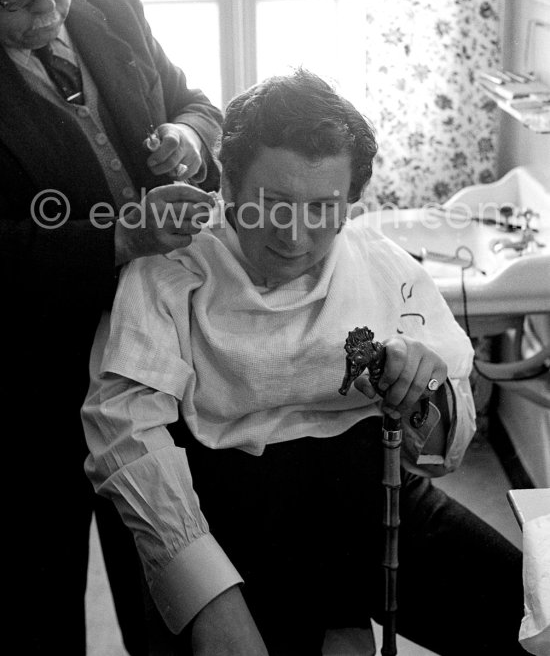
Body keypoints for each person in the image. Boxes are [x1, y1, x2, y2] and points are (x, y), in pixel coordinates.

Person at [83, 69, 524, 655]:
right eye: (272, 203)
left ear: (350, 203)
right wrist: (208, 593)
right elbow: (125, 431)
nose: (294, 236)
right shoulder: (171, 271)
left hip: (377, 501)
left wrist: (423, 397)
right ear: (230, 186)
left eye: (322, 207)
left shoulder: (379, 264)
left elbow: (447, 438)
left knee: (530, 621)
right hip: (231, 525)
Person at [0, 0, 222, 656]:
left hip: (158, 349)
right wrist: (122, 237)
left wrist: (192, 140)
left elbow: (195, 100)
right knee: (36, 594)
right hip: (32, 377)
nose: (46, 9)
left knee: (168, 569)